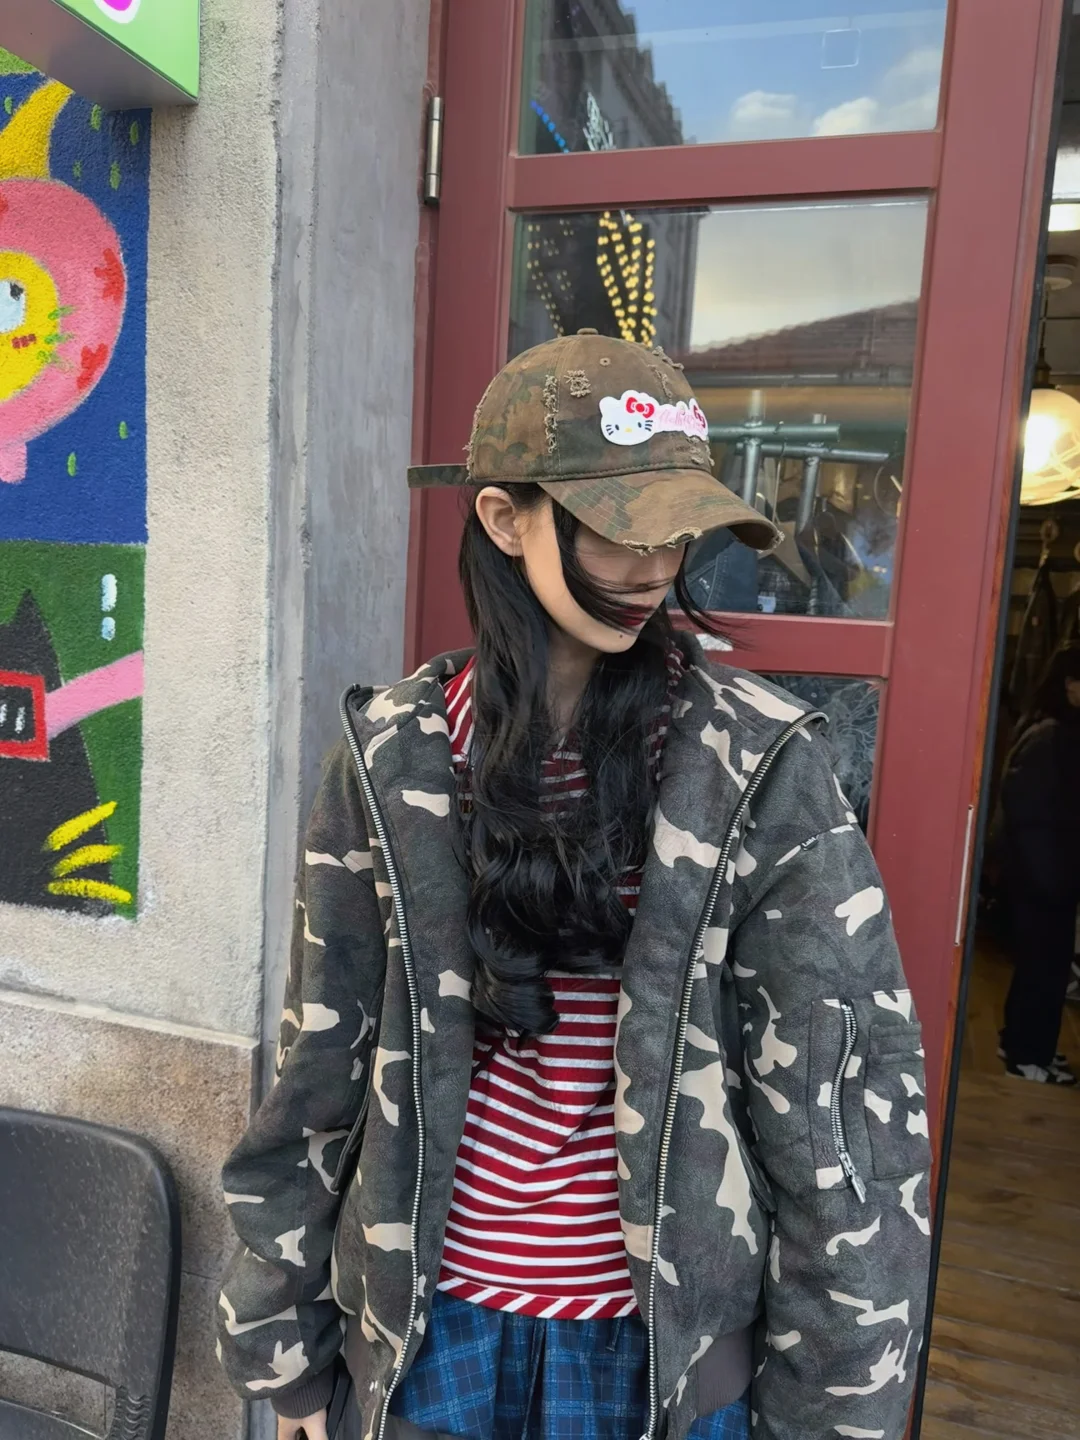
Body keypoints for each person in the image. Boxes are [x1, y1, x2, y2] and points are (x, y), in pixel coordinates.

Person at [216, 333, 933, 1440]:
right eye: (619, 529)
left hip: (660, 1355)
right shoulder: (393, 760)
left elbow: (844, 1110)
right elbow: (319, 1068)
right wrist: (285, 1350)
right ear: (505, 519)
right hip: (428, 1334)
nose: (656, 568)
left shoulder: (752, 767)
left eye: (676, 532)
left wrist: (838, 1403)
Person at [998, 643, 1080, 1084]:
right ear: (1070, 685)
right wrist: (1051, 879)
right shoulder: (1051, 736)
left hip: (1047, 873)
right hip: (1045, 876)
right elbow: (1028, 812)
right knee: (1043, 966)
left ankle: (1026, 1045)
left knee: (1041, 964)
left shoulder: (1053, 730)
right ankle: (1026, 1057)